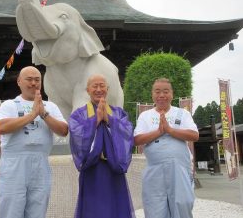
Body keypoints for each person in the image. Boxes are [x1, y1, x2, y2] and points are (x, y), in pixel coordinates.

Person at [0, 66, 68, 218]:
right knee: (11, 209)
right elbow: (1, 127)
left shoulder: (50, 106)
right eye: (29, 79)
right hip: (15, 163)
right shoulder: (9, 105)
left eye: (37, 80)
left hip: (41, 162)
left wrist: (43, 114)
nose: (33, 83)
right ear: (19, 81)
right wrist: (32, 114)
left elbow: (64, 130)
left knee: (38, 209)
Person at [69, 74, 135, 218]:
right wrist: (95, 121)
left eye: (102, 85)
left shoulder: (117, 113)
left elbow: (128, 133)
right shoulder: (79, 114)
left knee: (116, 209)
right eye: (95, 86)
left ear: (107, 89)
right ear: (87, 90)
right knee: (93, 211)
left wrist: (110, 120)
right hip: (93, 171)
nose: (99, 89)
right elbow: (76, 136)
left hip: (114, 169)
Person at [134, 78, 199, 218]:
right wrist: (158, 132)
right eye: (157, 91)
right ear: (152, 94)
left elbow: (194, 135)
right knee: (154, 206)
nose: (161, 95)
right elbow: (137, 139)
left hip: (180, 168)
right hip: (154, 169)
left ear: (172, 94)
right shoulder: (145, 116)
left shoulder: (182, 113)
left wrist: (169, 130)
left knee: (183, 203)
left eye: (165, 91)